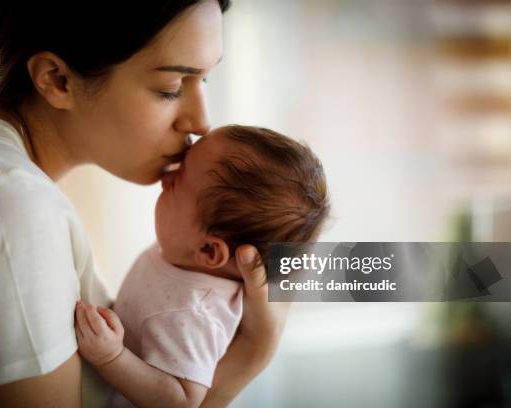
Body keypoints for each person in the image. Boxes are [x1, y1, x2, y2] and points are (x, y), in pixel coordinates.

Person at [0, 0, 290, 406]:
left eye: (205, 81)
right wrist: (251, 353)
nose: (200, 122)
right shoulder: (6, 207)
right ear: (57, 80)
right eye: (172, 88)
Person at [74, 125, 330, 407]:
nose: (165, 177)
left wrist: (112, 358)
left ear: (209, 250)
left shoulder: (196, 314)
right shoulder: (184, 254)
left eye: (178, 181)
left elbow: (182, 401)